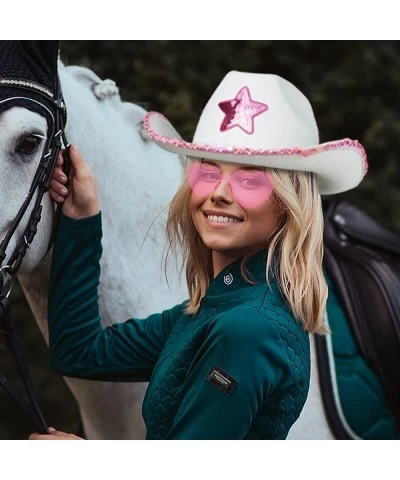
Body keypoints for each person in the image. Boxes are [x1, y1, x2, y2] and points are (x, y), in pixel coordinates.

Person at [29, 71, 367, 440]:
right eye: (208, 171)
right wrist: (83, 220)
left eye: (250, 180)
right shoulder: (214, 308)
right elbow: (79, 353)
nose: (219, 192)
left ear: (288, 205)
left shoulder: (247, 330)